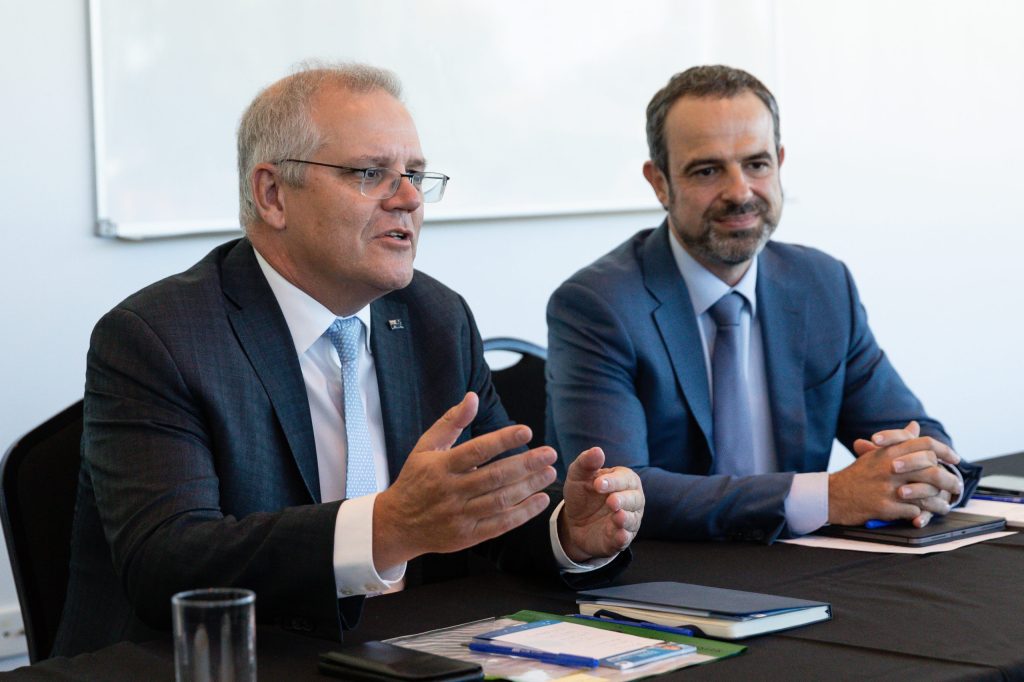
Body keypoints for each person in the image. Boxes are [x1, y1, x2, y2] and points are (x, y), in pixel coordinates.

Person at [53, 63, 643, 657]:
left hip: (410, 652)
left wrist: (568, 533)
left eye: (415, 175)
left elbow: (487, 512)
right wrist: (386, 528)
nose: (409, 199)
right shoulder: (159, 337)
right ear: (273, 194)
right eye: (370, 173)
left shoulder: (436, 319)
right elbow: (168, 565)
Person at [546, 65, 978, 543]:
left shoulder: (821, 284)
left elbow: (917, 433)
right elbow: (616, 494)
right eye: (708, 170)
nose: (740, 192)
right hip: (672, 569)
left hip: (810, 563)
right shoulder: (597, 306)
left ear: (780, 163)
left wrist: (926, 472)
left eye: (756, 164)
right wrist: (830, 496)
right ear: (660, 183)